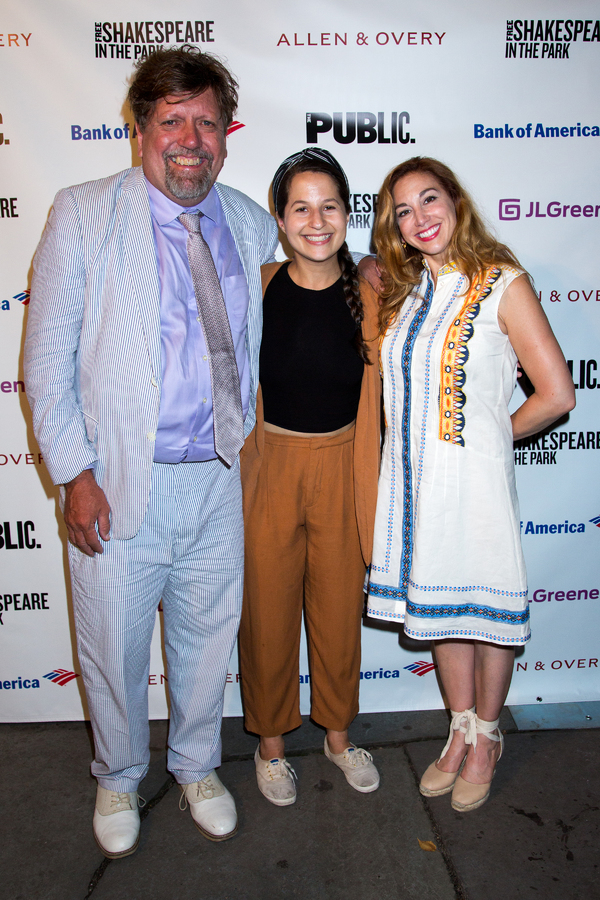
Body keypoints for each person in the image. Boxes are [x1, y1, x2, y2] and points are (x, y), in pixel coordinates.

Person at [24, 46, 278, 856]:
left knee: (207, 641)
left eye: (207, 122)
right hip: (120, 483)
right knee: (113, 647)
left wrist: (372, 270)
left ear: (227, 136)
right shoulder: (83, 212)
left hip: (217, 481)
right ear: (141, 129)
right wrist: (76, 474)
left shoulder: (246, 220)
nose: (191, 139)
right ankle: (118, 774)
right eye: (172, 121)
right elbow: (44, 360)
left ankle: (199, 764)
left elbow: (312, 283)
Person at [366, 157, 575, 812]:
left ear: (456, 202)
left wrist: (491, 438)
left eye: (429, 200)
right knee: (443, 611)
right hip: (410, 484)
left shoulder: (501, 281)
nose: (419, 218)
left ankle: (487, 738)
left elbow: (557, 394)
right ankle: (457, 730)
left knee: (484, 615)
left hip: (473, 483)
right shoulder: (406, 293)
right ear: (394, 226)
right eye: (403, 210)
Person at [239, 149, 382, 806]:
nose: (316, 220)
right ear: (279, 216)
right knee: (266, 614)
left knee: (335, 615)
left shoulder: (375, 289)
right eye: (301, 206)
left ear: (348, 215)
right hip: (269, 465)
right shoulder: (256, 282)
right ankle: (270, 746)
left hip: (345, 467)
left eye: (330, 206)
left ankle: (337, 735)